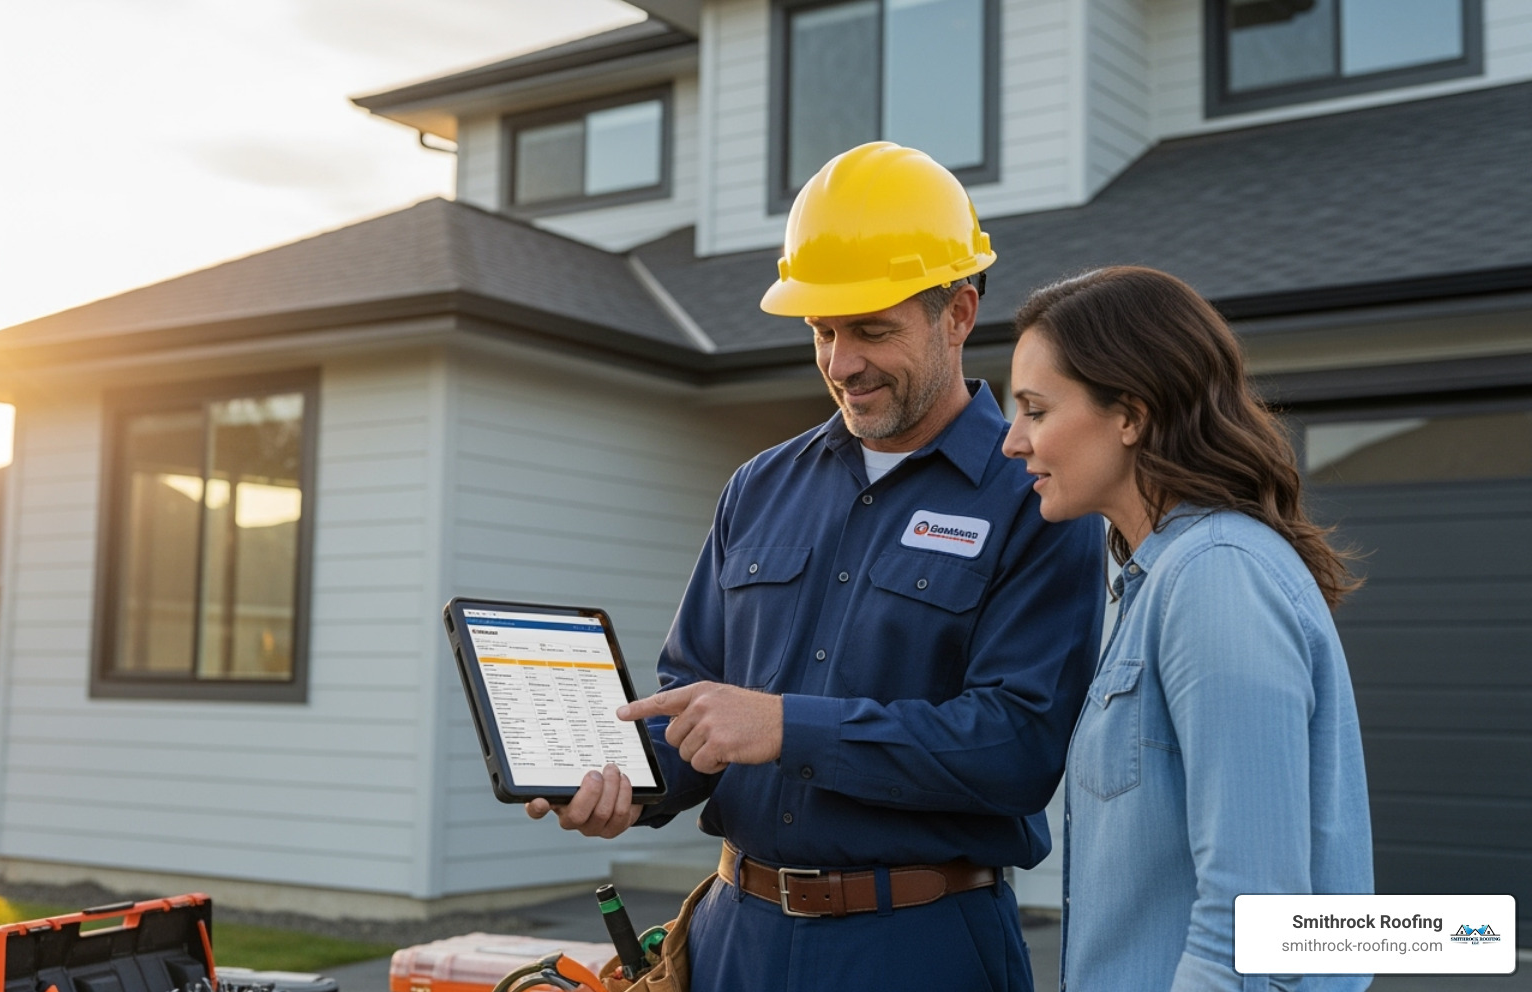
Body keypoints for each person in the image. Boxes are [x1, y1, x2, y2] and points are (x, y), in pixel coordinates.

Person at [525, 141, 1106, 992]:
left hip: (920, 949)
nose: (841, 363)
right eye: (822, 331)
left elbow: (1017, 746)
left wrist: (790, 726)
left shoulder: (1033, 494)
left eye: (873, 329)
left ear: (958, 313)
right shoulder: (758, 486)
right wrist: (622, 784)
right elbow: (696, 701)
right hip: (733, 940)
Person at [1002, 266, 1374, 991]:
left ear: (1131, 416)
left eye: (1036, 411)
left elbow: (1250, 922)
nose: (1012, 440)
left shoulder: (1215, 578)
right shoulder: (1161, 578)